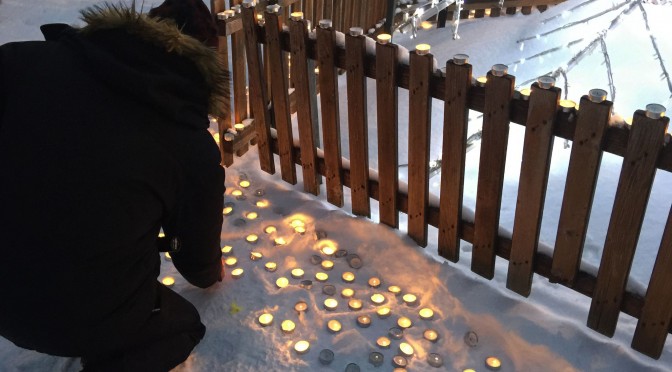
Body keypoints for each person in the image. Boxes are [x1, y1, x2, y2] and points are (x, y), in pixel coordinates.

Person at [0, 0, 229, 370]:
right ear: (204, 66)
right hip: (69, 315)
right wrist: (211, 267)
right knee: (180, 326)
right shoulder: (187, 145)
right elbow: (197, 262)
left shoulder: (22, 62)